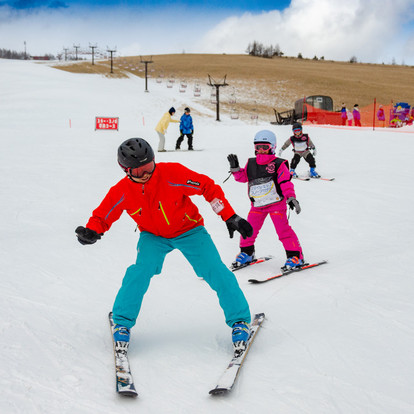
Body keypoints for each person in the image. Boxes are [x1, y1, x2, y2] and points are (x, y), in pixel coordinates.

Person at [75, 138, 254, 356]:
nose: (145, 173)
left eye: (148, 166)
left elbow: (207, 186)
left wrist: (229, 215)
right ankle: (122, 323)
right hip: (153, 237)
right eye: (139, 170)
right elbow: (103, 214)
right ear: (125, 169)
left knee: (215, 271)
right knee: (139, 272)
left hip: (189, 230)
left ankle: (240, 322)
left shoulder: (172, 174)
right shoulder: (122, 191)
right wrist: (92, 231)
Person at [227, 130, 304, 271]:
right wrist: (236, 169)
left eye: (265, 147)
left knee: (283, 231)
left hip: (276, 205)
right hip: (258, 205)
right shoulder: (251, 163)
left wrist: (291, 197)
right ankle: (247, 252)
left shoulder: (279, 164)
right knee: (248, 229)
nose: (261, 150)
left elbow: (285, 182)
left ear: (272, 147)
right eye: (258, 147)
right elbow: (243, 178)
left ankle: (295, 256)